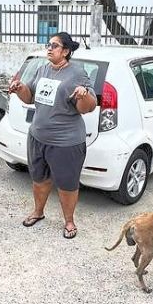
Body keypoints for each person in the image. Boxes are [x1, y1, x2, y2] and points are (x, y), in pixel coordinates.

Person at [8, 32, 97, 239]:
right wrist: (19, 88)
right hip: (38, 137)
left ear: (66, 51)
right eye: (48, 44)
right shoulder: (42, 69)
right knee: (39, 178)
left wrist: (83, 95)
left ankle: (69, 221)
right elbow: (29, 97)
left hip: (66, 142)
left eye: (54, 45)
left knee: (67, 184)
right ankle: (38, 212)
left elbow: (88, 107)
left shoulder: (77, 73)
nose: (49, 48)